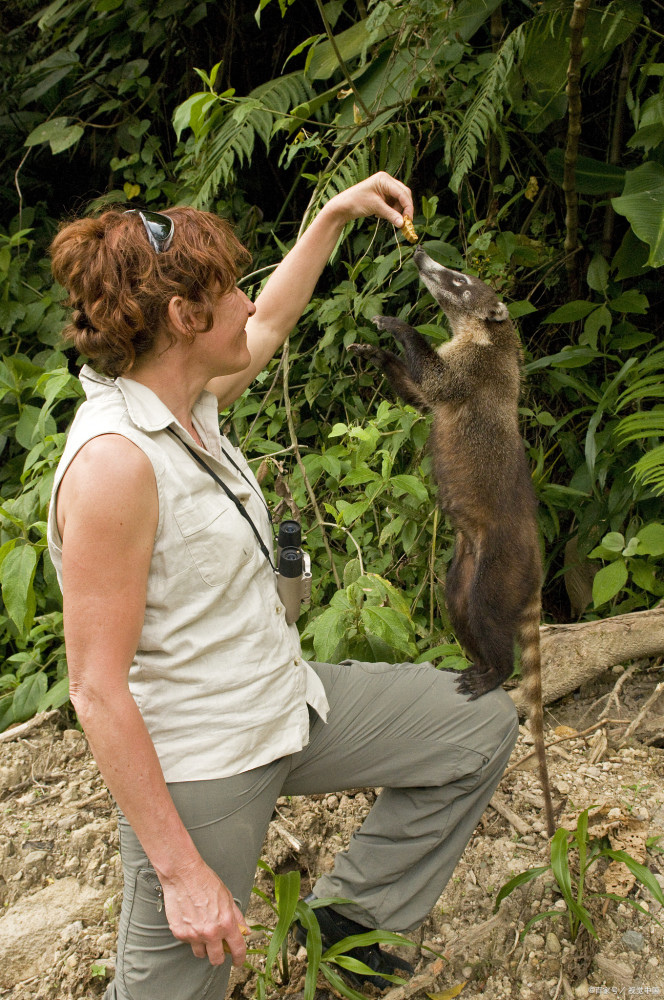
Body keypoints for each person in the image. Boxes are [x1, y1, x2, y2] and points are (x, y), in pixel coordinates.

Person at [46, 173, 519, 1000]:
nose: (245, 304)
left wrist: (335, 215)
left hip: (286, 706)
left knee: (475, 724)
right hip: (205, 767)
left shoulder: (191, 399)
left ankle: (347, 926)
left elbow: (270, 320)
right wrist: (183, 872)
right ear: (182, 320)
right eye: (227, 292)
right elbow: (95, 689)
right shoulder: (114, 465)